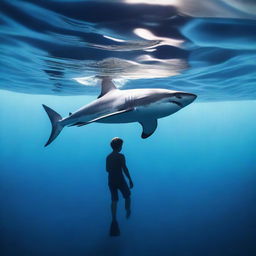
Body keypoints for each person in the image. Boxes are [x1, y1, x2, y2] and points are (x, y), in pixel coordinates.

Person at [106, 137, 133, 235]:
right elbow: (124, 168)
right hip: (120, 179)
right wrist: (130, 179)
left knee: (114, 200)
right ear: (120, 147)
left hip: (111, 180)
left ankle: (114, 219)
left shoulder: (108, 157)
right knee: (127, 196)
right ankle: (128, 210)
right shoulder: (121, 156)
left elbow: (107, 169)